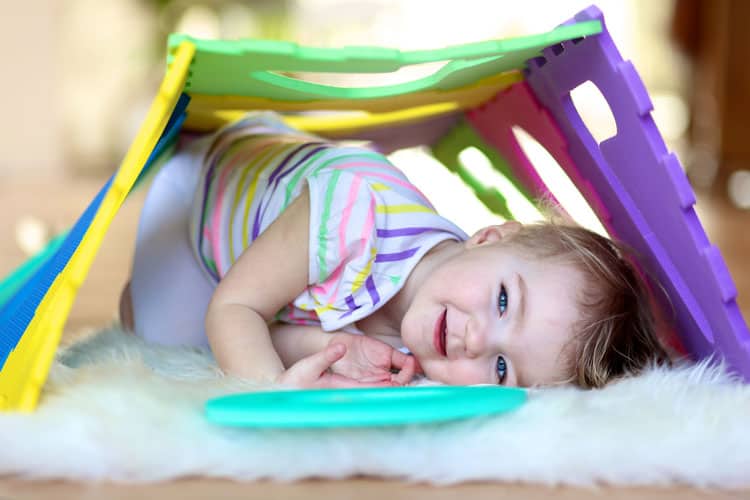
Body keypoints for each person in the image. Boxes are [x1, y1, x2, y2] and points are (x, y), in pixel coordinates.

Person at [119, 112, 670, 389]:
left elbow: (276, 329)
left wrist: (327, 349)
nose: (476, 339)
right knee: (165, 334)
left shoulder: (415, 353)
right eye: (504, 302)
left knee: (244, 333)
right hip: (206, 189)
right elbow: (236, 310)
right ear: (488, 237)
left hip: (270, 270)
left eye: (502, 368)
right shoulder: (351, 214)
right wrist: (271, 404)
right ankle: (193, 135)